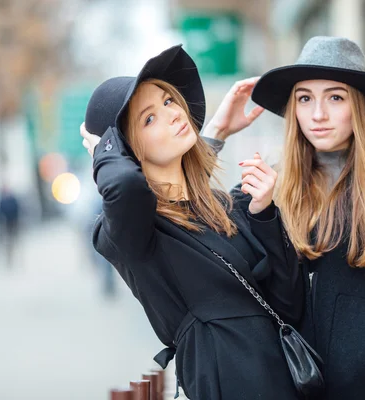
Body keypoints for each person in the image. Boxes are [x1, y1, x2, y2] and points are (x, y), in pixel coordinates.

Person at [211, 36, 365, 400]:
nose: (318, 115)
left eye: (336, 97)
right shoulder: (267, 185)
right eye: (305, 98)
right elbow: (188, 224)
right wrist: (216, 133)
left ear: (359, 106)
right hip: (273, 387)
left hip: (363, 391)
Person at [80, 45, 303, 399]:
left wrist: (265, 216)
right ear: (126, 149)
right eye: (148, 118)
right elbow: (125, 187)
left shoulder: (233, 205)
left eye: (168, 101)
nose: (171, 114)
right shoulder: (134, 235)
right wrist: (103, 152)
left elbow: (292, 307)